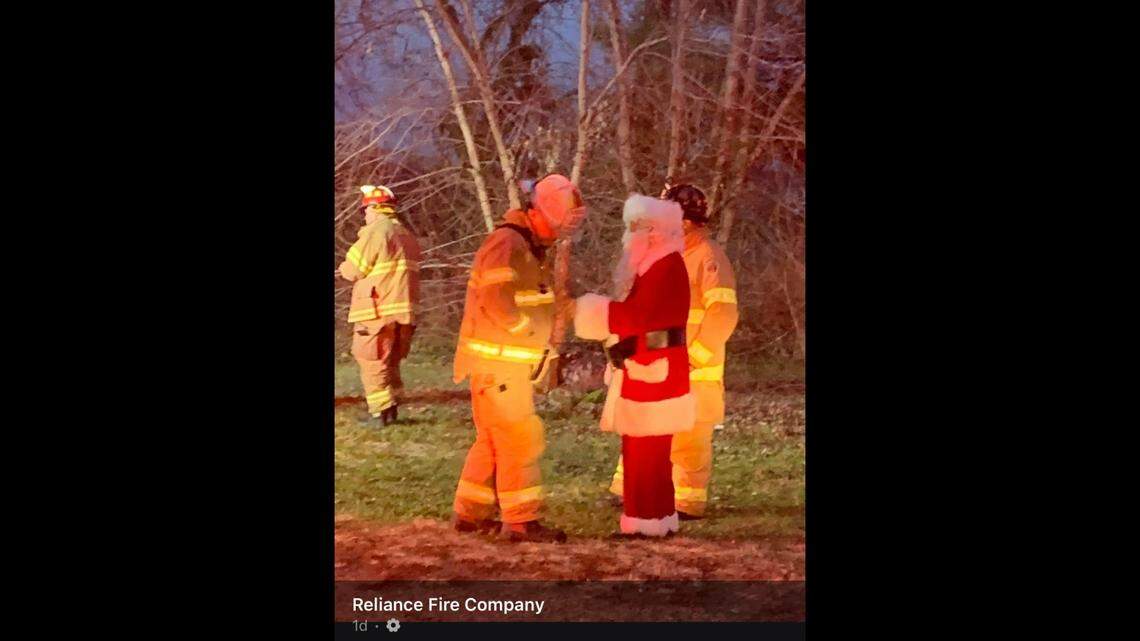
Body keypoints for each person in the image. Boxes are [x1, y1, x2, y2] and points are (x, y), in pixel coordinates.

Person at [451, 174, 586, 543]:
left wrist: (588, 313)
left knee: (492, 440)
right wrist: (528, 332)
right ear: (539, 213)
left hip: (500, 366)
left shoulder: (527, 247)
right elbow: (497, 302)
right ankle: (521, 520)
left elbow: (545, 301)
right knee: (518, 438)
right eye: (558, 225)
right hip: (499, 365)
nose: (559, 235)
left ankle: (470, 513)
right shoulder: (508, 244)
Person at [607, 183, 739, 519]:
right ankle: (629, 491)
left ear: (688, 221)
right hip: (660, 362)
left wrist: (696, 358)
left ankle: (686, 501)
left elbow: (723, 314)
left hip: (694, 368)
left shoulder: (708, 257)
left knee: (689, 435)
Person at [574, 194, 695, 537]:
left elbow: (640, 318)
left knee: (644, 450)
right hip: (654, 364)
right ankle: (656, 518)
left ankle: (645, 523)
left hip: (654, 368)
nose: (629, 236)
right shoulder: (659, 264)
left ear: (653, 232)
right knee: (649, 450)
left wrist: (594, 311)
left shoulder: (664, 266)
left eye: (635, 228)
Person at [338, 185, 423, 426]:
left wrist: (343, 267)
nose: (365, 215)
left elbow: (353, 269)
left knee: (372, 360)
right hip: (403, 311)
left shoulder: (377, 231)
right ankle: (391, 407)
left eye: (366, 209)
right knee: (391, 360)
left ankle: (379, 413)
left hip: (376, 310)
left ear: (376, 208)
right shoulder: (406, 235)